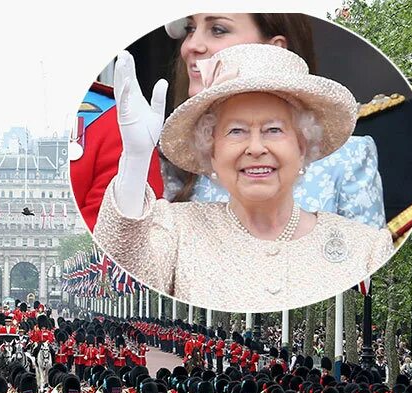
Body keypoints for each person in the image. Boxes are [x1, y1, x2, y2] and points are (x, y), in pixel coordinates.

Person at [93, 44, 393, 312]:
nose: (256, 148)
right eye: (236, 131)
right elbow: (121, 279)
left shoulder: (367, 248)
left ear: (302, 147)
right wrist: (134, 159)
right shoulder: (175, 228)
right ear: (211, 151)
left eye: (273, 130)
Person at [72, 13, 386, 231]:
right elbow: (126, 251)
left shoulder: (347, 159)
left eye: (218, 29)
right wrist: (136, 161)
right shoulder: (168, 166)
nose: (190, 45)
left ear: (273, 48)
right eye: (191, 28)